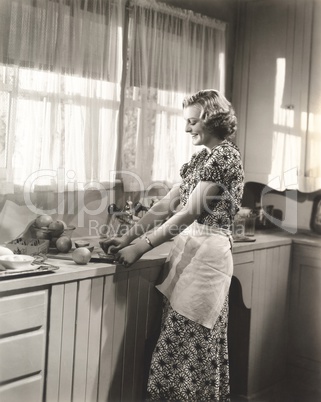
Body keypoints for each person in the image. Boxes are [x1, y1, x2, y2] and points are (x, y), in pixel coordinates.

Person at [100, 89, 244, 401]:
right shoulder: (201, 159)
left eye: (193, 122)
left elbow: (190, 213)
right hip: (189, 255)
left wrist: (141, 247)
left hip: (208, 261)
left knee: (187, 353)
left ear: (211, 120)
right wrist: (127, 238)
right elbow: (166, 205)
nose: (186, 128)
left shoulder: (225, 158)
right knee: (175, 354)